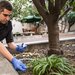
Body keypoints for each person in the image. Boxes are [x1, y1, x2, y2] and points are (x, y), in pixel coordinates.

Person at [0, 1, 27, 72]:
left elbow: (10, 43)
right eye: (5, 15)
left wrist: (18, 48)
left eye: (9, 15)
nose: (8, 18)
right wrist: (13, 59)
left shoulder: (8, 24)